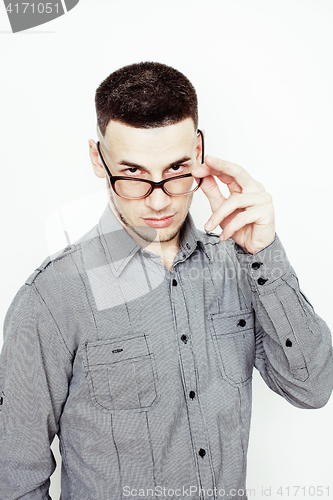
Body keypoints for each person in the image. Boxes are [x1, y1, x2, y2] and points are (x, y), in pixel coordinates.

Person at [0, 61, 332, 500]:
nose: (158, 200)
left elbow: (312, 388)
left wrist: (264, 255)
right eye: (133, 173)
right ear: (99, 160)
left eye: (176, 170)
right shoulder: (51, 298)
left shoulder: (241, 266)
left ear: (198, 152)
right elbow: (15, 478)